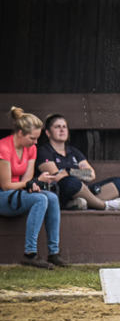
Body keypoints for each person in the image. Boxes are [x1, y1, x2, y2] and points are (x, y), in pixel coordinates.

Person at [0, 107, 69, 268]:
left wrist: (36, 182)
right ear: (20, 134)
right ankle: (30, 254)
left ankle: (53, 253)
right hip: (3, 195)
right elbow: (6, 185)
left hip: (16, 193)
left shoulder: (31, 149)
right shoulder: (3, 148)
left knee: (51, 197)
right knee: (40, 199)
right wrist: (30, 184)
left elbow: (27, 180)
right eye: (32, 138)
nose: (36, 142)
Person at [36, 114, 120, 211]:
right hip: (61, 193)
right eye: (57, 127)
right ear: (48, 132)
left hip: (83, 190)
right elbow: (56, 177)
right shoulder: (44, 151)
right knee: (71, 181)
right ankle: (103, 205)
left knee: (119, 183)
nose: (62, 129)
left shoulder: (74, 152)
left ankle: (81, 204)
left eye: (64, 126)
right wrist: (80, 174)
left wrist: (69, 171)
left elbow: (91, 175)